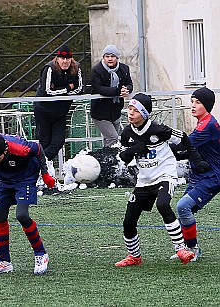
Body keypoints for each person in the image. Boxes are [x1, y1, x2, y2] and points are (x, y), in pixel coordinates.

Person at [114, 93, 208, 267]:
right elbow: (124, 157)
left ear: (144, 113)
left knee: (163, 205)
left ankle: (181, 249)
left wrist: (196, 160)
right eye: (130, 109)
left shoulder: (159, 129)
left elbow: (184, 139)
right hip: (144, 180)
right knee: (128, 221)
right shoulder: (127, 132)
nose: (130, 113)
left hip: (165, 175)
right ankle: (134, 256)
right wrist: (134, 150)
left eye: (135, 110)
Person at [0, 133, 55, 275]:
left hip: (25, 177)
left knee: (22, 215)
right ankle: (4, 262)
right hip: (4, 180)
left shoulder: (21, 148)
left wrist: (45, 174)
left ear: (5, 151)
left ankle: (41, 254)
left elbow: (38, 149)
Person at [173, 87, 220, 262]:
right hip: (200, 175)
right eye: (192, 101)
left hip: (212, 177)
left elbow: (184, 145)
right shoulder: (203, 123)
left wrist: (157, 143)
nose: (192, 105)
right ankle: (189, 248)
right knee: (185, 210)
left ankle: (192, 248)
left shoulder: (206, 126)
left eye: (197, 102)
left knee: (183, 207)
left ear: (207, 105)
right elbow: (191, 150)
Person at [34, 45, 83, 161]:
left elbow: (80, 89)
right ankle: (41, 168)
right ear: (57, 58)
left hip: (61, 112)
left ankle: (38, 164)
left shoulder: (76, 68)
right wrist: (67, 88)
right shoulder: (49, 68)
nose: (65, 61)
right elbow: (47, 91)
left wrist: (59, 91)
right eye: (62, 58)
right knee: (44, 141)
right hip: (43, 110)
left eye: (68, 59)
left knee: (58, 141)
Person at [90, 44, 133, 147]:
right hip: (100, 112)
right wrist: (118, 91)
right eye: (107, 56)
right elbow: (98, 88)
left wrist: (126, 90)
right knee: (113, 138)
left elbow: (129, 84)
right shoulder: (96, 70)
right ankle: (111, 160)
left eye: (112, 56)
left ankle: (106, 159)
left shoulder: (124, 69)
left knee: (111, 139)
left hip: (116, 110)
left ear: (117, 58)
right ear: (103, 57)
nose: (110, 59)